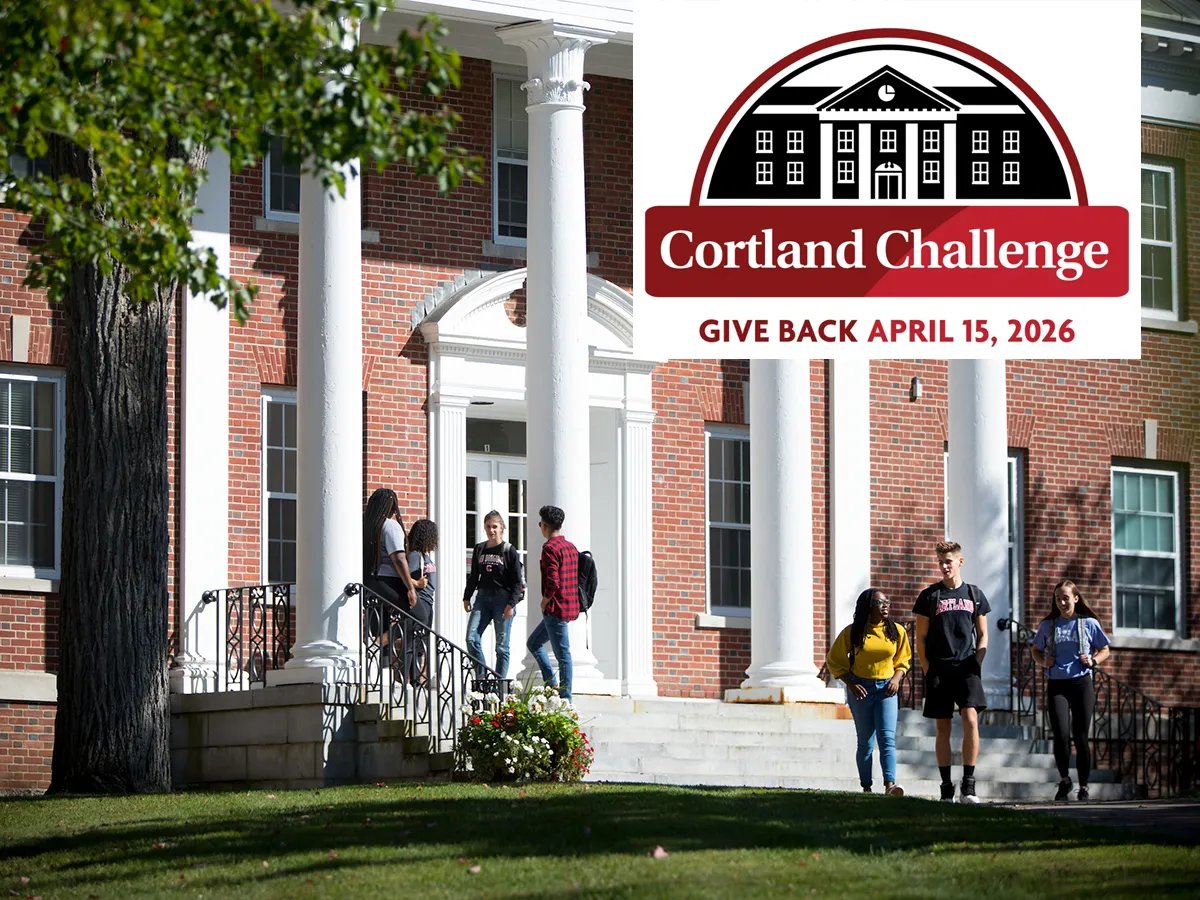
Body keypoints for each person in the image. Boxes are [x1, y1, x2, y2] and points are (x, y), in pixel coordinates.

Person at [913, 540, 990, 804]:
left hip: (967, 668)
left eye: (949, 561)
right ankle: (947, 788)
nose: (944, 566)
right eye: (941, 562)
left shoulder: (974, 594)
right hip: (939, 670)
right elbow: (920, 637)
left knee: (970, 720)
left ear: (960, 561)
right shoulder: (929, 596)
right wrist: (927, 667)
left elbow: (983, 635)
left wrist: (977, 661)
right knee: (942, 727)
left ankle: (968, 787)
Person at [1031, 579, 1111, 802]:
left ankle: (1083, 786)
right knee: (1061, 734)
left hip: (1081, 683)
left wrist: (1094, 661)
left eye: (1065, 597)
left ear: (1075, 598)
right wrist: (1043, 660)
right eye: (1058, 598)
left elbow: (1105, 649)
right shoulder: (1048, 625)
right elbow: (1035, 650)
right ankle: (1065, 781)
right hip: (1057, 684)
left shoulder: (1089, 624)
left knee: (1081, 735)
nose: (1062, 602)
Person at [826, 588, 912, 796]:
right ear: (868, 607)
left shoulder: (896, 631)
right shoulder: (853, 632)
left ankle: (890, 784)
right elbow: (834, 660)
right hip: (861, 689)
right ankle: (866, 786)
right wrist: (851, 683)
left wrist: (896, 679)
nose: (885, 606)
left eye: (887, 602)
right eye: (879, 603)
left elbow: (903, 660)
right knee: (865, 741)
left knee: (887, 738)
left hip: (887, 690)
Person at [463, 510, 524, 680]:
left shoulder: (508, 550)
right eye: (488, 527)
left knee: (502, 646)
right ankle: (481, 674)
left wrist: (511, 604)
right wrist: (467, 596)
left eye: (495, 527)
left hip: (502, 598)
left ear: (502, 527)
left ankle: (498, 684)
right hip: (482, 597)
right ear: (484, 528)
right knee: (471, 638)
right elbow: (474, 575)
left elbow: (517, 580)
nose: (492, 530)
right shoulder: (479, 549)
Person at [526, 504, 579, 701]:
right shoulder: (571, 547)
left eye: (540, 524)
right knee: (533, 643)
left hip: (555, 607)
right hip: (569, 605)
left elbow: (553, 581)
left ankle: (565, 697)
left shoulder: (549, 548)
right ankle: (552, 684)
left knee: (563, 655)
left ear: (546, 526)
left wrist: (544, 600)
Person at [362, 488, 418, 665]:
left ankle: (381, 670)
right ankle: (376, 644)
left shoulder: (364, 525)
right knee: (419, 616)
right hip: (390, 581)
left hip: (369, 581)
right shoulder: (390, 525)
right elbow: (399, 558)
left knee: (381, 625)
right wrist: (410, 587)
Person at [404, 518, 439, 686]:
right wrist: (417, 583)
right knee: (412, 640)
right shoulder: (415, 555)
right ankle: (408, 678)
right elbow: (404, 577)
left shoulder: (425, 556)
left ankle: (416, 677)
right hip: (420, 600)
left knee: (420, 642)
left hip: (428, 600)